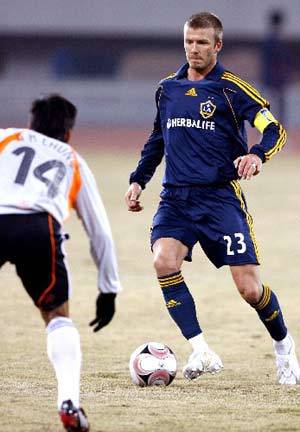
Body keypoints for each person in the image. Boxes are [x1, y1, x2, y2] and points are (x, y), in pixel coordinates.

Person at [125, 12, 300, 385]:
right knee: (163, 261)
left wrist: (257, 154)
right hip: (176, 199)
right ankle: (201, 348)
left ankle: (284, 346)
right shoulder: (167, 89)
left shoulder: (232, 89)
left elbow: (275, 128)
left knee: (249, 289)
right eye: (189, 41)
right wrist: (139, 180)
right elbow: (158, 139)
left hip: (221, 199)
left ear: (217, 46)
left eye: (202, 42)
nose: (194, 49)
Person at [0, 94, 121, 431]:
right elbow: (101, 233)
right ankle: (68, 401)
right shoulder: (73, 160)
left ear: (30, 123)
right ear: (68, 133)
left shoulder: (6, 137)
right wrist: (108, 290)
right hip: (40, 228)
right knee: (56, 316)